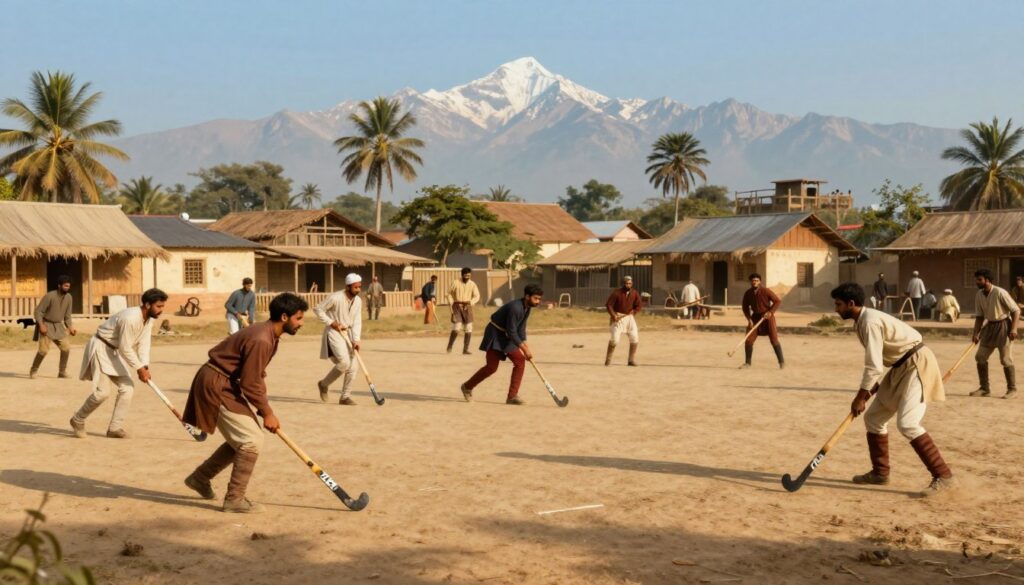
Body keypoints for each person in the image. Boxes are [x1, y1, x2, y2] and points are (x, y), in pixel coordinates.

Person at [181, 292, 307, 513]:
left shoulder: (268, 334)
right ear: (285, 317)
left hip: (225, 381)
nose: (302, 323)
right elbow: (250, 383)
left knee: (242, 438)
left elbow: (254, 375)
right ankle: (234, 499)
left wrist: (262, 403)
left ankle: (200, 478)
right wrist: (266, 411)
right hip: (217, 383)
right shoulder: (262, 338)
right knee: (250, 440)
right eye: (299, 318)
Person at [830, 283, 955, 496]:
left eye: (839, 304)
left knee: (907, 423)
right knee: (874, 419)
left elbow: (874, 366)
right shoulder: (862, 321)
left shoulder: (869, 322)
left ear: (851, 304)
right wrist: (869, 390)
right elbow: (879, 362)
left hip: (916, 363)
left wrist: (860, 397)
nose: (836, 309)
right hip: (899, 367)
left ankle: (943, 476)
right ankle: (880, 473)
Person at [69, 288, 167, 439]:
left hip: (113, 351)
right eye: (158, 306)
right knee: (102, 393)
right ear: (147, 305)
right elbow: (125, 347)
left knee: (127, 388)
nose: (161, 310)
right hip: (101, 347)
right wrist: (139, 368)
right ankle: (78, 419)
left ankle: (114, 428)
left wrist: (145, 365)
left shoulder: (150, 320)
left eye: (162, 306)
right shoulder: (130, 318)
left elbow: (144, 343)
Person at [460, 284, 543, 405]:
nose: (538, 301)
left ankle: (512, 396)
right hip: (496, 334)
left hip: (508, 336)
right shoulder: (516, 308)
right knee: (491, 367)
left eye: (539, 299)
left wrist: (526, 347)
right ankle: (467, 387)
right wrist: (524, 349)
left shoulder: (527, 308)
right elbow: (512, 331)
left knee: (520, 361)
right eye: (536, 298)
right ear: (527, 296)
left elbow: (521, 329)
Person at [969, 269, 1019, 399]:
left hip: (1003, 327)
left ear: (988, 280)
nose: (977, 282)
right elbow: (979, 317)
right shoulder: (979, 295)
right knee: (980, 356)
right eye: (976, 279)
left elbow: (1016, 310)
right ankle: (984, 388)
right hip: (989, 328)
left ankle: (1012, 389)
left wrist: (1014, 329)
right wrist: (976, 333)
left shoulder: (999, 292)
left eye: (979, 279)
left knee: (1005, 359)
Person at [314, 273, 363, 405]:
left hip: (349, 333)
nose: (358, 290)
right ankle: (324, 385)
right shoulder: (335, 297)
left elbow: (357, 321)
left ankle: (345, 397)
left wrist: (356, 339)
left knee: (354, 366)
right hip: (334, 332)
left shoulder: (358, 301)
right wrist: (331, 322)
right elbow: (318, 309)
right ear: (348, 287)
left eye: (359, 287)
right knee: (345, 362)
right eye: (355, 287)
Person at [30, 275, 77, 379]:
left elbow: (67, 316)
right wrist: (41, 325)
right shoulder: (50, 296)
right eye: (65, 286)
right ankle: (33, 370)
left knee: (66, 348)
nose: (67, 288)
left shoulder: (69, 298)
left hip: (59, 326)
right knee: (43, 351)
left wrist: (70, 327)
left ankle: (62, 372)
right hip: (46, 325)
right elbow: (38, 311)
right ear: (59, 285)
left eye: (68, 286)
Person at [741, 273, 784, 369]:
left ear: (760, 282)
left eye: (756, 280)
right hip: (755, 318)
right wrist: (749, 319)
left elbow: (777, 301)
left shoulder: (766, 291)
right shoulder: (748, 293)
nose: (754, 282)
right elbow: (745, 307)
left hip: (767, 317)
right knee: (748, 340)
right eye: (753, 281)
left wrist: (770, 312)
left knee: (774, 339)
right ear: (750, 282)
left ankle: (781, 362)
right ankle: (747, 363)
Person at [604, 275, 642, 366]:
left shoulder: (634, 293)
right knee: (615, 340)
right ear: (623, 284)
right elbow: (609, 305)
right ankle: (608, 360)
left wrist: (634, 311)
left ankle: (631, 360)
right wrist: (613, 315)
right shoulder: (617, 293)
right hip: (618, 318)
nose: (628, 285)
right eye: (626, 283)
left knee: (634, 338)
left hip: (629, 318)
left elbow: (638, 305)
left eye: (630, 283)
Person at [447, 267, 481, 355]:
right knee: (457, 326)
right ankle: (450, 346)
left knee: (468, 327)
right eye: (465, 275)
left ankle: (465, 349)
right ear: (462, 275)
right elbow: (449, 293)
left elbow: (477, 296)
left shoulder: (472, 284)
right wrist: (451, 302)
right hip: (457, 306)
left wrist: (471, 302)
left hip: (467, 306)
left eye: (469, 275)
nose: (467, 277)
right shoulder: (456, 282)